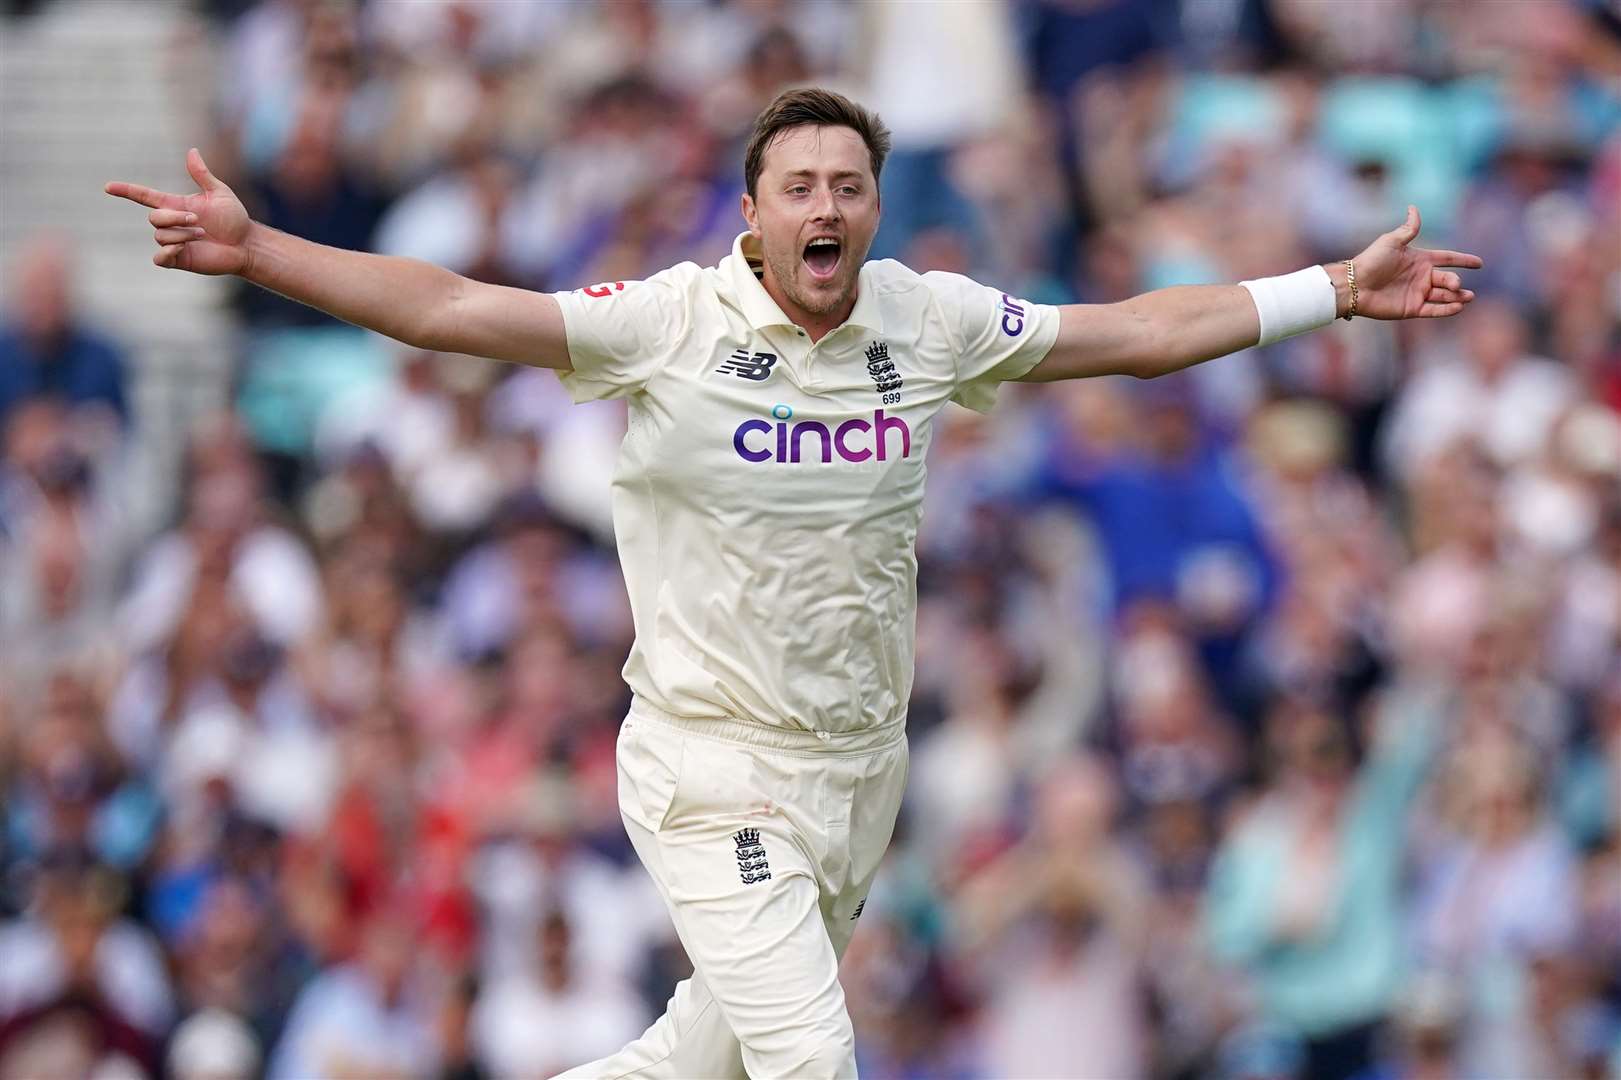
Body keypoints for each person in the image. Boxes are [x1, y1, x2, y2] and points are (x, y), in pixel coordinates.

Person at [107, 87, 1482, 1079]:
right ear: (751, 216)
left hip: (854, 774)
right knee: (811, 1057)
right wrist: (260, 251)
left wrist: (1330, 292)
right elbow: (453, 308)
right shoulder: (670, 323)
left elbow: (1132, 332)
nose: (825, 207)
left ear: (873, 208)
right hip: (713, 769)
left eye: (848, 186)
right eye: (797, 187)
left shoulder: (926, 315)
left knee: (696, 1054)